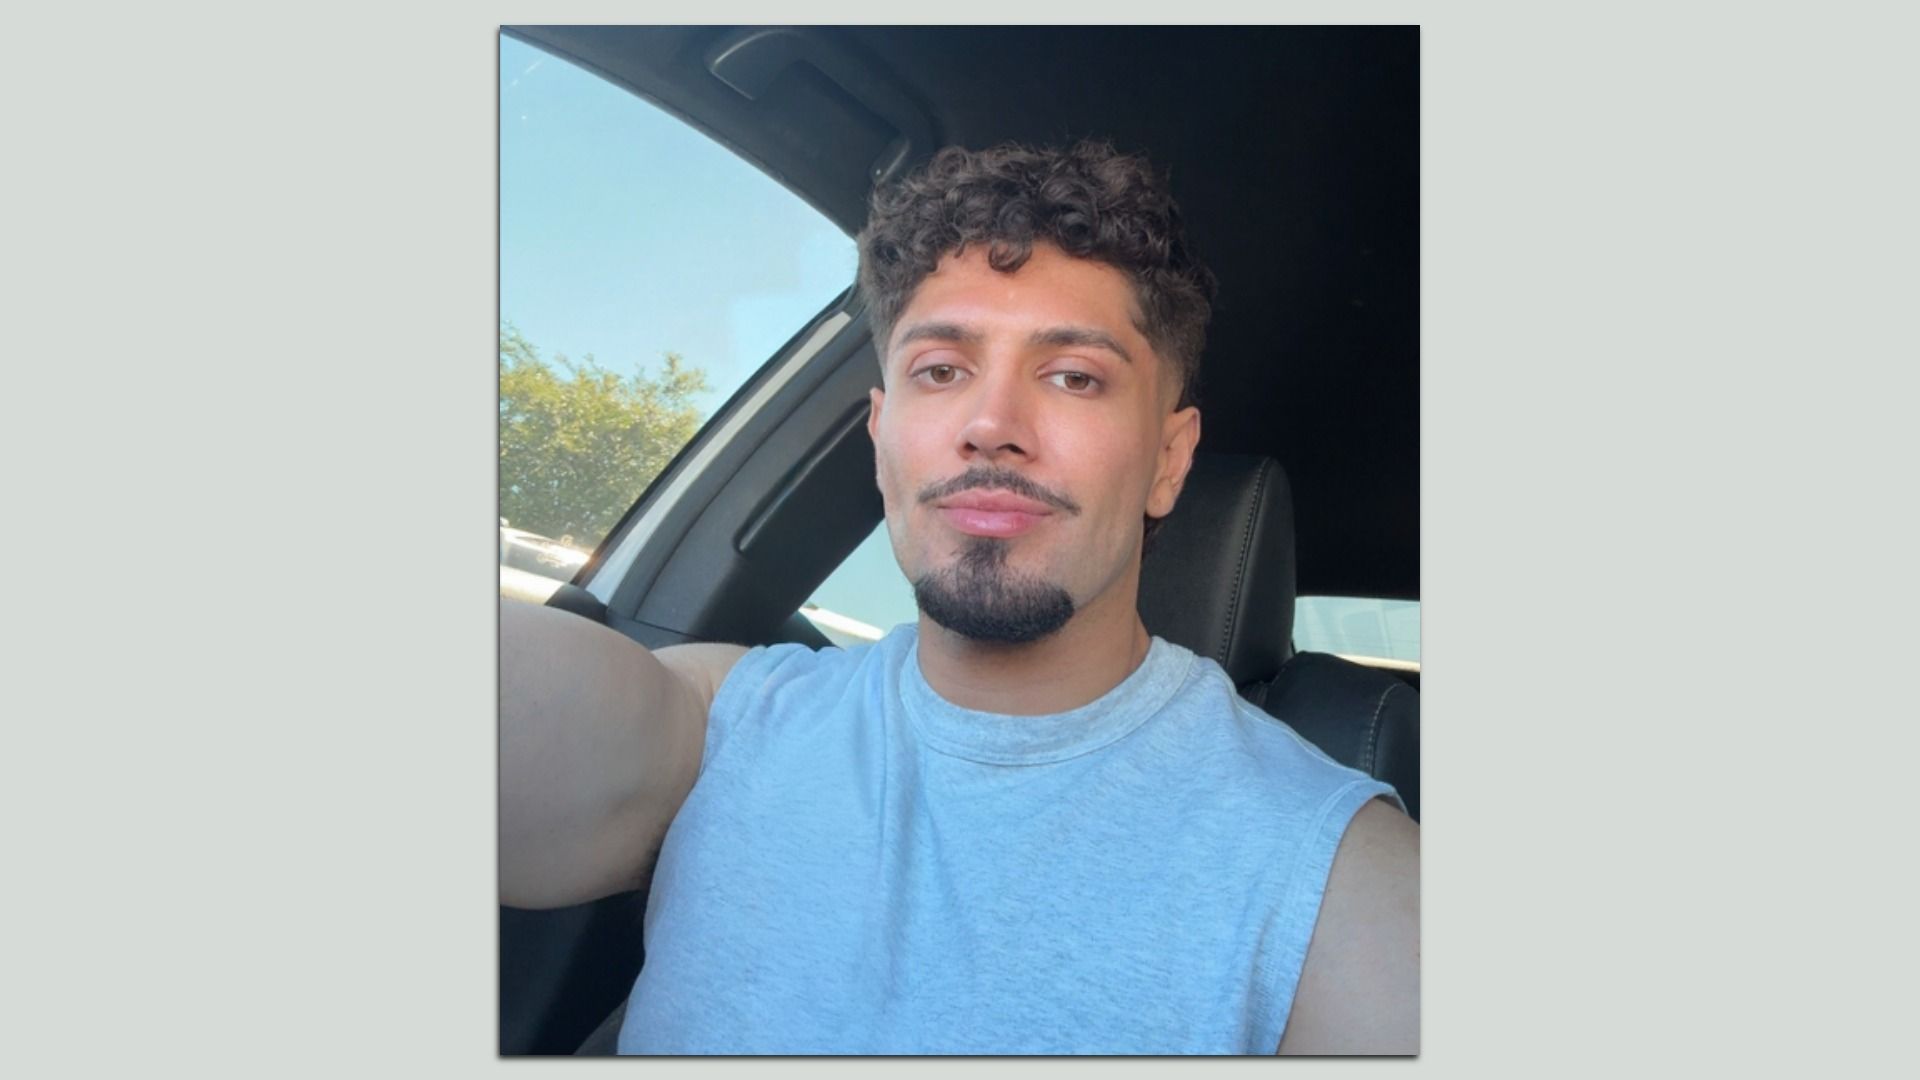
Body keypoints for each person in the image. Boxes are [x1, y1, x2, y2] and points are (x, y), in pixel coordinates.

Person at [500, 141, 1419, 1055]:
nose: (991, 426)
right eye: (941, 369)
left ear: (1168, 460)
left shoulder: (1333, 872)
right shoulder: (724, 719)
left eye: (1073, 376)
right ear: (880, 432)